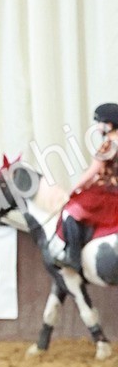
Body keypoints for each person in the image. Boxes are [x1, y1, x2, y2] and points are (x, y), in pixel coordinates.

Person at [57, 102, 118, 272]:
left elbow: (92, 172)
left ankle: (73, 257)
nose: (97, 127)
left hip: (108, 195)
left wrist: (74, 188)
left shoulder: (108, 145)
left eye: (99, 122)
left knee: (70, 211)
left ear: (109, 124)